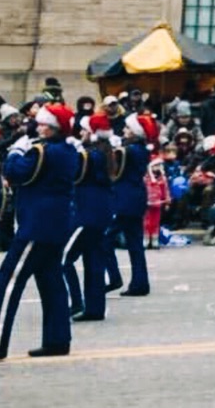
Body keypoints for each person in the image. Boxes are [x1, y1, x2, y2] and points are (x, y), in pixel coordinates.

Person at [0, 102, 77, 361]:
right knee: (51, 280)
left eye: (44, 124)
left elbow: (16, 173)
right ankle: (57, 339)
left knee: (7, 282)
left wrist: (15, 153)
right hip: (57, 221)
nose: (38, 127)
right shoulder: (67, 149)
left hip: (37, 224)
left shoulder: (42, 151)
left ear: (54, 128)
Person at [64, 114, 118, 323]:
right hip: (101, 211)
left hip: (87, 212)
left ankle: (76, 302)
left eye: (84, 130)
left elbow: (72, 172)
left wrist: (69, 147)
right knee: (93, 259)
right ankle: (95, 307)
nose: (80, 133)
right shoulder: (104, 152)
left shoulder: (89, 155)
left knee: (63, 259)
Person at [114, 113, 155, 295]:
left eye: (127, 128)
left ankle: (113, 277)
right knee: (135, 244)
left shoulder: (128, 150)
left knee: (105, 240)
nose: (124, 130)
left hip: (125, 198)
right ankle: (140, 282)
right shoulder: (141, 150)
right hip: (136, 196)